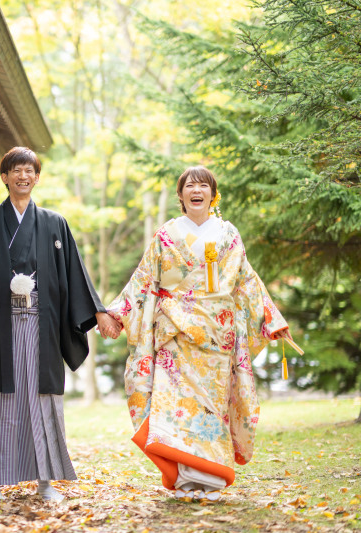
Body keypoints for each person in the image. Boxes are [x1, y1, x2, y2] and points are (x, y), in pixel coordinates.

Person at [97, 166, 302, 501]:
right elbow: (145, 277)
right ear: (180, 196)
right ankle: (183, 477)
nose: (196, 189)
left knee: (212, 407)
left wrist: (270, 316)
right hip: (174, 333)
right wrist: (116, 313)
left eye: (203, 185)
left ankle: (211, 477)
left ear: (212, 194)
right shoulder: (166, 233)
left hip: (217, 332)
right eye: (189, 185)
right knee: (176, 405)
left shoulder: (228, 233)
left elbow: (246, 280)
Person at [0, 147, 118, 502]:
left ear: (37, 177)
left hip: (42, 324)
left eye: (30, 171)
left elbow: (75, 273)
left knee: (40, 399)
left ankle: (45, 481)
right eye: (16, 170)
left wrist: (98, 310)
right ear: (4, 177)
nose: (23, 176)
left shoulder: (54, 223)